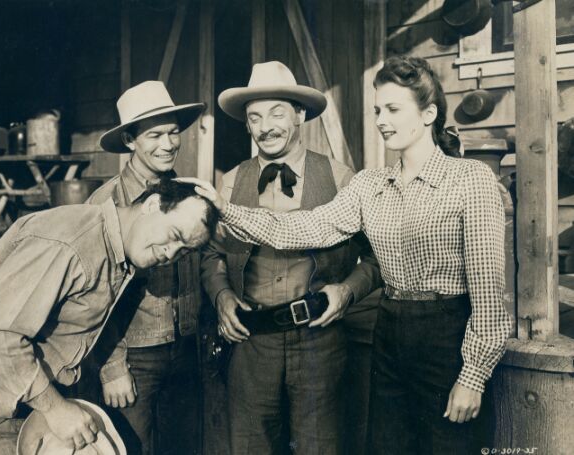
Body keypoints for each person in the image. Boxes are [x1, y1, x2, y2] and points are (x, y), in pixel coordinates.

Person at [180, 56, 512, 454]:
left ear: (429, 113)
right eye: (377, 110)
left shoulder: (471, 180)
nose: (381, 120)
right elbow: (303, 227)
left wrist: (473, 376)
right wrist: (225, 207)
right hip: (389, 334)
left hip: (448, 337)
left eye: (393, 109)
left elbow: (490, 299)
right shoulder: (370, 185)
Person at [0, 179, 218, 455]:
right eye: (175, 234)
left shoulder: (117, 251)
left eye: (185, 250)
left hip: (21, 379)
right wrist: (55, 409)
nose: (172, 253)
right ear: (152, 205)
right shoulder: (73, 243)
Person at [199, 61, 382, 455]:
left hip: (321, 342)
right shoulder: (228, 183)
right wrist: (221, 297)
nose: (265, 126)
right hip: (251, 343)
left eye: (276, 112)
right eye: (254, 117)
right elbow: (211, 255)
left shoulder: (340, 177)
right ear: (247, 125)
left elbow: (376, 258)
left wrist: (348, 291)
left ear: (299, 115)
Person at [85, 80, 206, 455]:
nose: (168, 144)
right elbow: (92, 299)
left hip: (187, 349)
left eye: (173, 133)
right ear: (130, 141)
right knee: (135, 448)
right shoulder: (104, 204)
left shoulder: (189, 195)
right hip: (134, 358)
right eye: (155, 135)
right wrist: (112, 367)